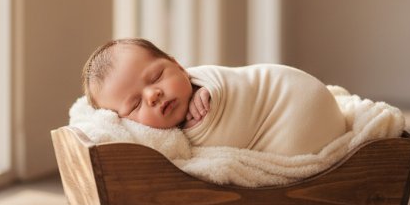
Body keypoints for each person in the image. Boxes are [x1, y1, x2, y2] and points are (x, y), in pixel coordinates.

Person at [82, 38, 346, 155]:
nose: (153, 95)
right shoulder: (158, 139)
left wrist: (212, 95)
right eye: (136, 104)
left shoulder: (209, 83)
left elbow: (237, 91)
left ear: (179, 66)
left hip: (293, 106)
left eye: (156, 77)